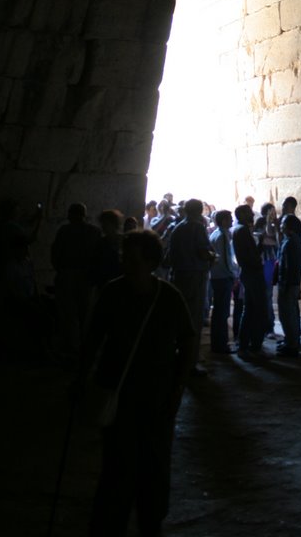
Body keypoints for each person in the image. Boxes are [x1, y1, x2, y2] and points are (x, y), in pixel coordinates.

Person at [78, 229, 195, 537]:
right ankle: (113, 522)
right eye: (123, 256)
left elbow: (187, 343)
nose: (124, 262)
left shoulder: (168, 297)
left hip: (155, 397)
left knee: (153, 465)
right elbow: (93, 340)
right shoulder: (114, 292)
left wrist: (176, 391)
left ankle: (148, 520)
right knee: (118, 465)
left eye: (131, 258)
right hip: (120, 394)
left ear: (150, 261)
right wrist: (80, 377)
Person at [168, 198, 214, 376]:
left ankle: (177, 356)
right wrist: (211, 256)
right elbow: (203, 251)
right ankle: (190, 362)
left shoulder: (178, 228)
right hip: (195, 275)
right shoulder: (197, 227)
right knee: (193, 319)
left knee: (180, 318)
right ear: (199, 210)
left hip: (179, 275)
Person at [51, 203, 101, 355]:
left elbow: (55, 254)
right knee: (85, 315)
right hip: (86, 277)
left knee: (68, 315)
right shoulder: (94, 232)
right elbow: (98, 256)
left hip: (67, 275)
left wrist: (60, 270)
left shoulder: (64, 231)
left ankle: (71, 349)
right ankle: (85, 349)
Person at [231, 204, 268, 357]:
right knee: (258, 310)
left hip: (249, 272)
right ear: (242, 215)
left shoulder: (240, 229)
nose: (253, 215)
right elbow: (250, 256)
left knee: (250, 309)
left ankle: (245, 344)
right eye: (249, 213)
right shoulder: (242, 231)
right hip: (252, 273)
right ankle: (254, 345)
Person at [276, 213, 301, 357]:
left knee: (287, 315)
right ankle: (291, 340)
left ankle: (291, 345)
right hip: (291, 283)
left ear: (288, 227)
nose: (280, 226)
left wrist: (287, 285)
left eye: (282, 224)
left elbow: (291, 267)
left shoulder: (289, 243)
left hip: (288, 283)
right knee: (290, 314)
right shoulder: (294, 240)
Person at [209, 210, 237, 354]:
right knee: (223, 312)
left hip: (216, 276)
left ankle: (217, 343)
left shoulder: (215, 234)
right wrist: (233, 275)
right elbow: (226, 259)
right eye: (230, 218)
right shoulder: (223, 236)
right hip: (223, 277)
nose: (232, 220)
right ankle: (221, 345)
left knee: (218, 312)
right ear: (224, 221)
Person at [253, 202, 280, 337]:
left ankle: (269, 326)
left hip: (270, 261)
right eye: (272, 211)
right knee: (265, 295)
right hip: (265, 261)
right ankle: (266, 326)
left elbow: (274, 238)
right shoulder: (261, 223)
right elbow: (264, 237)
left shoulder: (276, 223)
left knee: (267, 294)